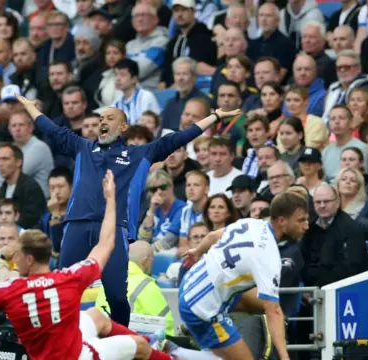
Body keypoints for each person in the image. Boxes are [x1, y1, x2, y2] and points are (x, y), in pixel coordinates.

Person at [16, 92, 240, 325]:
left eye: (110, 118)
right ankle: (62, 343)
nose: (103, 121)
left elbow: (179, 138)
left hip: (115, 229)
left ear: (123, 126)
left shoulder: (140, 153)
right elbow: (52, 130)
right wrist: (32, 108)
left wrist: (214, 117)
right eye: (101, 118)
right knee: (63, 290)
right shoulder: (82, 147)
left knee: (116, 297)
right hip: (78, 225)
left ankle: (120, 339)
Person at [0, 171, 172, 360]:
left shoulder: (10, 290)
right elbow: (106, 244)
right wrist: (110, 201)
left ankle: (147, 339)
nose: (14, 260)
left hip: (49, 354)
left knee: (95, 316)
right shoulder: (70, 278)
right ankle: (161, 352)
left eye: (17, 256)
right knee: (140, 347)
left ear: (28, 259)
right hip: (78, 356)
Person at [179, 191, 309, 360]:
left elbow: (212, 235)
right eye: (301, 220)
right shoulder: (268, 256)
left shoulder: (251, 223)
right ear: (282, 221)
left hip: (189, 284)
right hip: (202, 308)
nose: (306, 225)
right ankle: (172, 352)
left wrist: (196, 252)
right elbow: (274, 311)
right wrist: (285, 357)